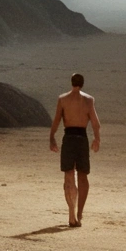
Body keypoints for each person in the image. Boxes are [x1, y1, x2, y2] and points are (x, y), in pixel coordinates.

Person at [49, 72, 101, 228]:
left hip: (69, 138)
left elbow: (57, 121)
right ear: (83, 83)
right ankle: (79, 213)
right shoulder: (88, 100)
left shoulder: (63, 99)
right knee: (83, 176)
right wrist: (97, 139)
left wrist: (51, 137)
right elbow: (96, 123)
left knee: (69, 175)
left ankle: (71, 213)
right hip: (82, 138)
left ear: (71, 82)